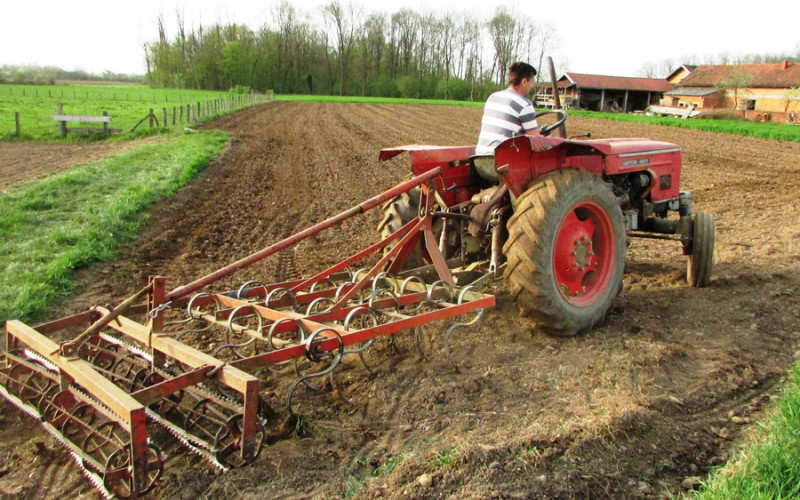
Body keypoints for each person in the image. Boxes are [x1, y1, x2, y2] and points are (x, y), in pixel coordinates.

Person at [475, 61, 550, 156]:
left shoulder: (492, 97)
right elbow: (536, 141)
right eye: (531, 82)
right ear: (524, 81)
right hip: (503, 160)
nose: (532, 86)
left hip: (480, 156)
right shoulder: (524, 104)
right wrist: (549, 140)